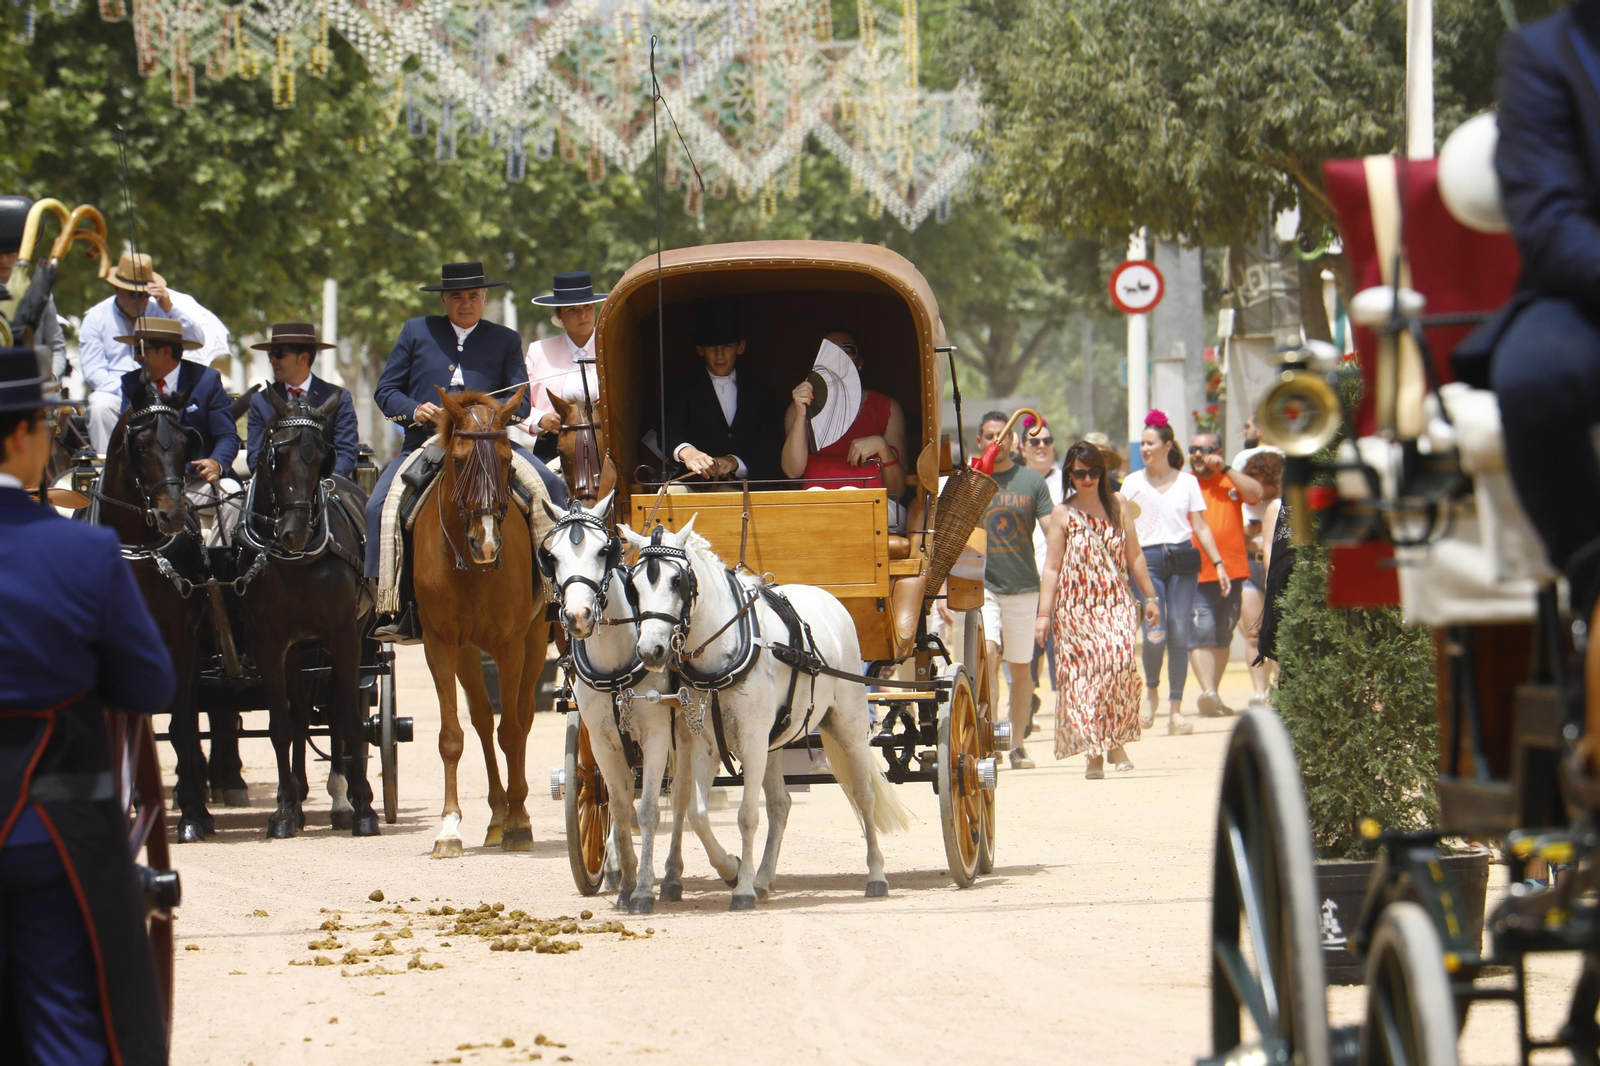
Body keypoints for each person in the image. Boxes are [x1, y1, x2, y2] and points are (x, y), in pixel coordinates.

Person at [0, 346, 176, 1065]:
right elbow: (150, 687)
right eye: (47, 424)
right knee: (72, 1029)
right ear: (21, 435)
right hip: (50, 834)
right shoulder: (84, 555)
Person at [1458, 4, 1600, 617]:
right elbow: (1548, 220)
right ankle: (1590, 578)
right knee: (1532, 380)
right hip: (1584, 290)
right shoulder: (1543, 55)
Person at [365, 261, 567, 642]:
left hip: (489, 443)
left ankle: (554, 593)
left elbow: (518, 403)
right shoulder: (415, 331)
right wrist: (414, 409)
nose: (465, 303)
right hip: (429, 441)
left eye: (473, 296)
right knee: (379, 506)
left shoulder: (505, 338)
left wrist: (486, 417)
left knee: (550, 489)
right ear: (444, 298)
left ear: (485, 298)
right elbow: (385, 391)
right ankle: (389, 605)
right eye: (457, 296)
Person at [1036, 441, 1161, 776]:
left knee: (1117, 665)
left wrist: (1150, 597)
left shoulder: (1119, 503)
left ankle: (1115, 741)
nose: (1087, 478)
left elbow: (1134, 554)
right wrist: (1044, 615)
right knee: (1084, 678)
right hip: (1074, 607)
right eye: (1079, 473)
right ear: (1070, 475)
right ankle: (1096, 750)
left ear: (1102, 472)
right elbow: (1051, 567)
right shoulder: (1062, 513)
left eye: (1093, 472)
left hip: (1115, 601)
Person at [1118, 410, 1231, 736]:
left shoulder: (1187, 482)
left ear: (1168, 445)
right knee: (1156, 633)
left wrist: (1219, 564)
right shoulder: (1132, 482)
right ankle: (1151, 693)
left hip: (1183, 561)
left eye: (1151, 443)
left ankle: (1177, 710)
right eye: (1143, 443)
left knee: (1181, 631)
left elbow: (1200, 526)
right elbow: (1123, 530)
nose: (1145, 449)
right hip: (1147, 561)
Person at [78, 250, 230, 454]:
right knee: (99, 404)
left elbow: (196, 339)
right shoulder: (95, 318)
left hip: (165, 389)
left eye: (145, 294)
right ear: (116, 288)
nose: (140, 300)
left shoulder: (161, 309)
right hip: (119, 393)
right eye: (134, 294)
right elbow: (94, 372)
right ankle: (109, 468)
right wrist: (135, 391)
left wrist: (170, 307)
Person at [973, 411, 1055, 769]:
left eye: (1003, 434)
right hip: (984, 586)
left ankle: (1017, 744)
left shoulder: (1031, 482)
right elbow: (955, 535)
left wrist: (1059, 578)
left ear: (1013, 440)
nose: (997, 440)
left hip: (1024, 587)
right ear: (980, 441)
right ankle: (988, 735)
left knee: (1022, 671)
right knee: (989, 654)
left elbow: (1054, 534)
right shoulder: (974, 482)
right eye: (990, 435)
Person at [117, 316, 243, 545]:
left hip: (196, 481)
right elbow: (124, 437)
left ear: (166, 352)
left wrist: (216, 462)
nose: (136, 358)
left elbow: (227, 436)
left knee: (232, 491)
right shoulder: (131, 383)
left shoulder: (206, 381)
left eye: (141, 350)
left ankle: (216, 564)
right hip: (150, 482)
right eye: (134, 350)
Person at [1185, 430, 1263, 718]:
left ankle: (1213, 695)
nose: (1197, 455)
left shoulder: (1229, 479)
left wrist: (1226, 468)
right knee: (1201, 630)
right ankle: (1207, 691)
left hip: (1233, 572)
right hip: (1194, 571)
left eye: (1203, 449)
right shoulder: (1185, 482)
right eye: (1193, 449)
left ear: (1217, 451)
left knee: (1223, 633)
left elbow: (1256, 493)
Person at [664, 298, 782, 483]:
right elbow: (669, 432)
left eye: (727, 346)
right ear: (700, 350)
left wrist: (735, 462)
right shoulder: (681, 389)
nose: (719, 355)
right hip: (697, 486)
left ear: (740, 347)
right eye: (712, 347)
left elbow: (771, 446)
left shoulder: (761, 392)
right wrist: (688, 452)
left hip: (753, 487)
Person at [782, 329, 909, 502]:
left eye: (848, 350)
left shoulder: (888, 408)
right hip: (817, 505)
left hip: (875, 507)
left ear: (860, 363)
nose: (839, 357)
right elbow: (792, 470)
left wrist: (882, 447)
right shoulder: (798, 406)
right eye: (830, 351)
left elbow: (898, 491)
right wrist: (801, 413)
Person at [245, 321, 360, 479]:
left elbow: (346, 452)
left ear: (303, 358)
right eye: (270, 354)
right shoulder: (261, 401)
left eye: (279, 353)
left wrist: (323, 485)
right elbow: (255, 458)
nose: (272, 360)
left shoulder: (338, 398)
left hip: (327, 489)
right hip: (277, 494)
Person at [522, 271, 607, 460]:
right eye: (571, 310)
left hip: (608, 443)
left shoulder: (613, 346)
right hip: (554, 445)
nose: (582, 315)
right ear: (558, 315)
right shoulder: (539, 350)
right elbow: (520, 403)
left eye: (587, 307)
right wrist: (540, 420)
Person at [1023, 418, 1063, 734]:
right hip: (1026, 578)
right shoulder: (1014, 482)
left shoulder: (1071, 481)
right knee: (1029, 650)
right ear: (1022, 448)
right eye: (1034, 442)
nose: (1041, 447)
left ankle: (1067, 707)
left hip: (1063, 579)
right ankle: (1029, 702)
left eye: (1046, 442)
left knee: (1062, 648)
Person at [0, 196, 66, 380]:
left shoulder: (41, 294)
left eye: (11, 252)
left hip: (35, 387)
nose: (4, 260)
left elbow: (57, 347)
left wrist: (51, 377)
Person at [1237, 449, 1284, 708]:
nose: (1257, 487)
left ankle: (1278, 684)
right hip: (1250, 568)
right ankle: (1258, 691)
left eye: (1262, 480)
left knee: (1278, 630)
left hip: (1276, 570)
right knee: (1254, 633)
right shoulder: (1242, 505)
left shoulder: (1282, 505)